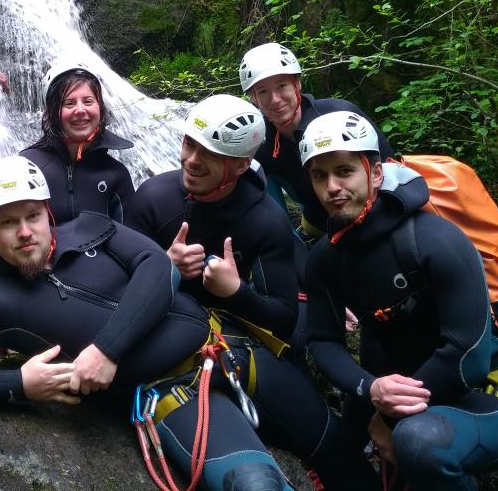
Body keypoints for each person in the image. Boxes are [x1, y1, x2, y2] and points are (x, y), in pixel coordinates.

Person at [0, 156, 297, 491]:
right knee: (255, 484)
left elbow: (160, 267)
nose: (25, 232)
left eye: (32, 215)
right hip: (173, 393)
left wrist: (106, 349)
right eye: (7, 223)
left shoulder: (92, 226)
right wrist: (19, 384)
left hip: (230, 345)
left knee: (337, 454)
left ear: (47, 211)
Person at [127, 94, 379, 490]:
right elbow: (111, 292)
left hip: (245, 345)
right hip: (172, 350)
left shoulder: (264, 218)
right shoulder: (153, 199)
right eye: (189, 143)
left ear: (241, 164)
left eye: (209, 153)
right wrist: (161, 267)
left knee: (335, 448)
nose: (191, 160)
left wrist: (235, 291)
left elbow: (283, 317)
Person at [300, 111, 498, 491]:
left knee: (417, 441)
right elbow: (322, 339)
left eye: (344, 171)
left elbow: (468, 355)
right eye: (320, 176)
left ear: (376, 174)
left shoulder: (436, 240)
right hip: (394, 393)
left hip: (486, 397)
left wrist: (389, 415)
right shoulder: (326, 257)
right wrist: (370, 388)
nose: (332, 186)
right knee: (328, 450)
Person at [239, 42, 394, 239]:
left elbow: (390, 167)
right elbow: (265, 204)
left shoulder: (340, 113)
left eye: (282, 86)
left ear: (297, 84)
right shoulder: (260, 144)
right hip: (322, 227)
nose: (275, 99)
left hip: (375, 217)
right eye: (263, 92)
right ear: (253, 98)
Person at [20, 61, 134, 224]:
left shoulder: (116, 175)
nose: (80, 110)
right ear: (52, 112)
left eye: (88, 101)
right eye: (69, 103)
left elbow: (133, 242)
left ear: (100, 108)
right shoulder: (27, 167)